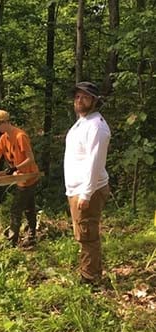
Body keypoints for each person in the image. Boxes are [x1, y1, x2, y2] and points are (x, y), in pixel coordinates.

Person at [64, 82, 111, 285]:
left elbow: (95, 162)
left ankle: (91, 279)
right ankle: (88, 272)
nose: (79, 100)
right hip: (77, 188)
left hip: (88, 190)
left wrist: (86, 194)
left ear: (94, 100)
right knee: (82, 234)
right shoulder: (81, 123)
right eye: (77, 97)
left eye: (84, 97)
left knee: (88, 235)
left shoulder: (97, 127)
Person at [0, 109, 41, 247]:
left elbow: (31, 159)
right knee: (29, 208)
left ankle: (12, 241)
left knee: (16, 209)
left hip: (29, 177)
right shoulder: (3, 139)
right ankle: (31, 237)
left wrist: (15, 168)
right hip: (19, 178)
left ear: (5, 122)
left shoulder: (20, 136)